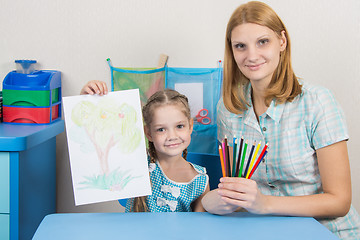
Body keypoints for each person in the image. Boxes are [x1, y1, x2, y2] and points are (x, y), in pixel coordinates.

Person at [201, 1, 360, 239]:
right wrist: (211, 201)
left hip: (327, 231)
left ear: (282, 42)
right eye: (241, 46)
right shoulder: (227, 108)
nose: (252, 56)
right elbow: (237, 185)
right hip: (262, 231)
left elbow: (339, 201)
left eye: (262, 42)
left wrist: (264, 204)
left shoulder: (317, 102)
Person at [81, 81, 210, 212]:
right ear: (148, 133)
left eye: (179, 126)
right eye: (161, 129)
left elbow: (197, 228)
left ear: (190, 126)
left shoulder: (199, 181)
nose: (172, 136)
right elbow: (97, 151)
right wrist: (88, 100)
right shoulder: (137, 162)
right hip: (133, 232)